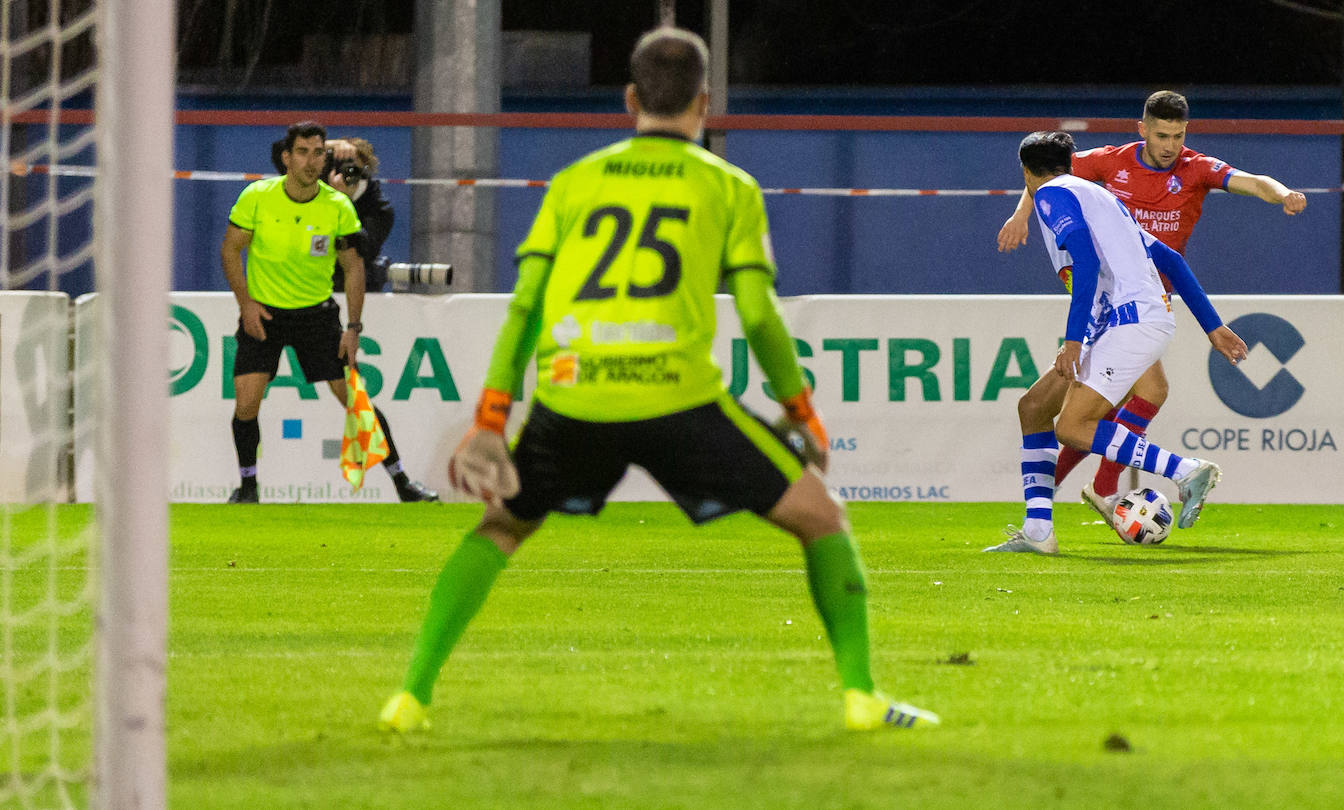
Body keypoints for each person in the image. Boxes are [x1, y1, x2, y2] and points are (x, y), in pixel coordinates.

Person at [377, 27, 938, 733]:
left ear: (631, 98)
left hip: (574, 396)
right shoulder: (729, 187)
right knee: (822, 519)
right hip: (680, 399)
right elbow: (762, 316)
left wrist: (492, 420)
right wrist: (802, 411)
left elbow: (526, 307)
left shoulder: (576, 183)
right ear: (706, 103)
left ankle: (411, 697)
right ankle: (861, 697)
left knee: (500, 527)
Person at [995, 91, 1305, 525]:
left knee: (1074, 421)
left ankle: (1160, 476)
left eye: (1178, 136)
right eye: (1162, 135)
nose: (1170, 145)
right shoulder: (1104, 177)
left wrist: (1282, 192)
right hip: (1123, 309)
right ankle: (1056, 515)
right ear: (1142, 130)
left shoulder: (1191, 169)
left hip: (1132, 310)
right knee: (1047, 406)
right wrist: (1021, 214)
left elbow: (1253, 182)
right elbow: (1048, 178)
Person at [984, 131, 1248, 554]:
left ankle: (1185, 470)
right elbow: (1172, 260)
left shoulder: (1052, 194)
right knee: (1034, 407)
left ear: (1025, 172)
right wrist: (1212, 326)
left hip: (1129, 321)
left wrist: (1072, 341)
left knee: (1072, 426)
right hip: (1125, 320)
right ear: (1070, 162)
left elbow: (1085, 262)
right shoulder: (1101, 200)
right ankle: (1038, 532)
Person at [221, 120, 438, 504]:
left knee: (356, 400)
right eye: (303, 152)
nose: (311, 161)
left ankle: (403, 483)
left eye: (318, 152)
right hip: (265, 316)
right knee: (246, 402)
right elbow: (230, 250)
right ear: (286, 157)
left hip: (317, 317)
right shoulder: (257, 196)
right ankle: (248, 486)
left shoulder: (338, 206)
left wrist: (353, 327)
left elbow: (354, 267)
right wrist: (246, 304)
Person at [324, 137, 395, 293]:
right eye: (339, 165)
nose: (344, 173)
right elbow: (283, 154)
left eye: (351, 167)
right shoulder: (314, 192)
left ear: (364, 170)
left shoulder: (379, 207)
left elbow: (362, 252)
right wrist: (329, 145)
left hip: (353, 288)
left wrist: (344, 203)